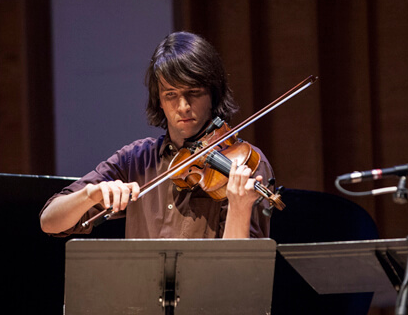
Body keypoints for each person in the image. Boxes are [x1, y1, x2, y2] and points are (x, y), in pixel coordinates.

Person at [40, 31, 274, 239]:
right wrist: (90, 195)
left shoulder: (245, 165)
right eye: (171, 94)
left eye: (194, 92)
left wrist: (240, 207)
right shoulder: (135, 160)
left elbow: (240, 272)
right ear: (159, 100)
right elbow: (49, 222)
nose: (182, 106)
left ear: (212, 94)